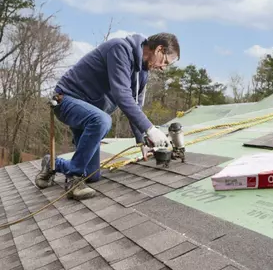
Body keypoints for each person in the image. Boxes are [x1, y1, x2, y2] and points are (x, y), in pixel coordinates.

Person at [35, 32, 180, 200]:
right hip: (66, 100)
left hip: (90, 115)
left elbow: (135, 106)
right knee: (103, 120)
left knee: (92, 175)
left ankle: (52, 163)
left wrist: (143, 140)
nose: (163, 67)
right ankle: (73, 180)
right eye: (165, 62)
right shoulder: (119, 49)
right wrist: (151, 129)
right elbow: (122, 96)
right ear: (159, 49)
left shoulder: (142, 73)